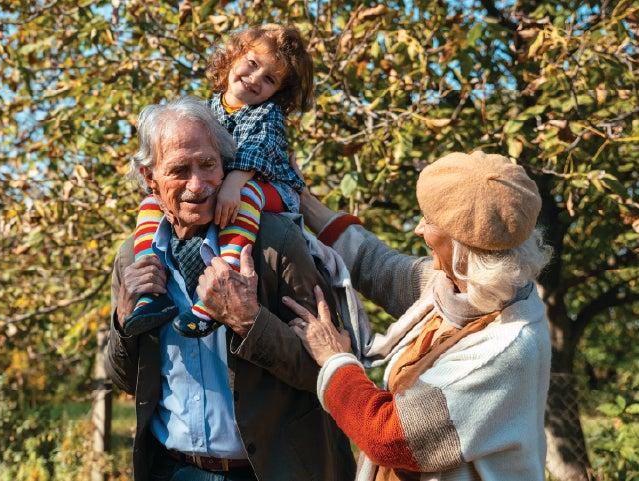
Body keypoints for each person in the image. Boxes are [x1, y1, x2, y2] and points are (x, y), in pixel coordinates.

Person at [104, 97, 355, 481]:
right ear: (149, 177)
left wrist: (249, 320)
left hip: (269, 471)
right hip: (173, 470)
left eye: (208, 165)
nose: (198, 184)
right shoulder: (132, 258)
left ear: (226, 165)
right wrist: (124, 321)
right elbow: (124, 379)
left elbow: (326, 370)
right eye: (179, 170)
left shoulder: (273, 243)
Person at [278, 151, 553, 480]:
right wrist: (303, 199)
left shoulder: (506, 347)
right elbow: (379, 268)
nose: (420, 229)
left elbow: (390, 437)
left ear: (463, 249)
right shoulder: (463, 292)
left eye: (432, 222)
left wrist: (335, 359)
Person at [123, 24, 314, 338]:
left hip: (271, 188)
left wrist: (232, 184)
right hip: (232, 186)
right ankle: (149, 287)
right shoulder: (208, 108)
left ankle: (225, 278)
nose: (254, 80)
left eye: (269, 79)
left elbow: (256, 151)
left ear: (277, 91)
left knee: (248, 194)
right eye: (252, 65)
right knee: (148, 203)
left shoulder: (266, 113)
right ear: (233, 57)